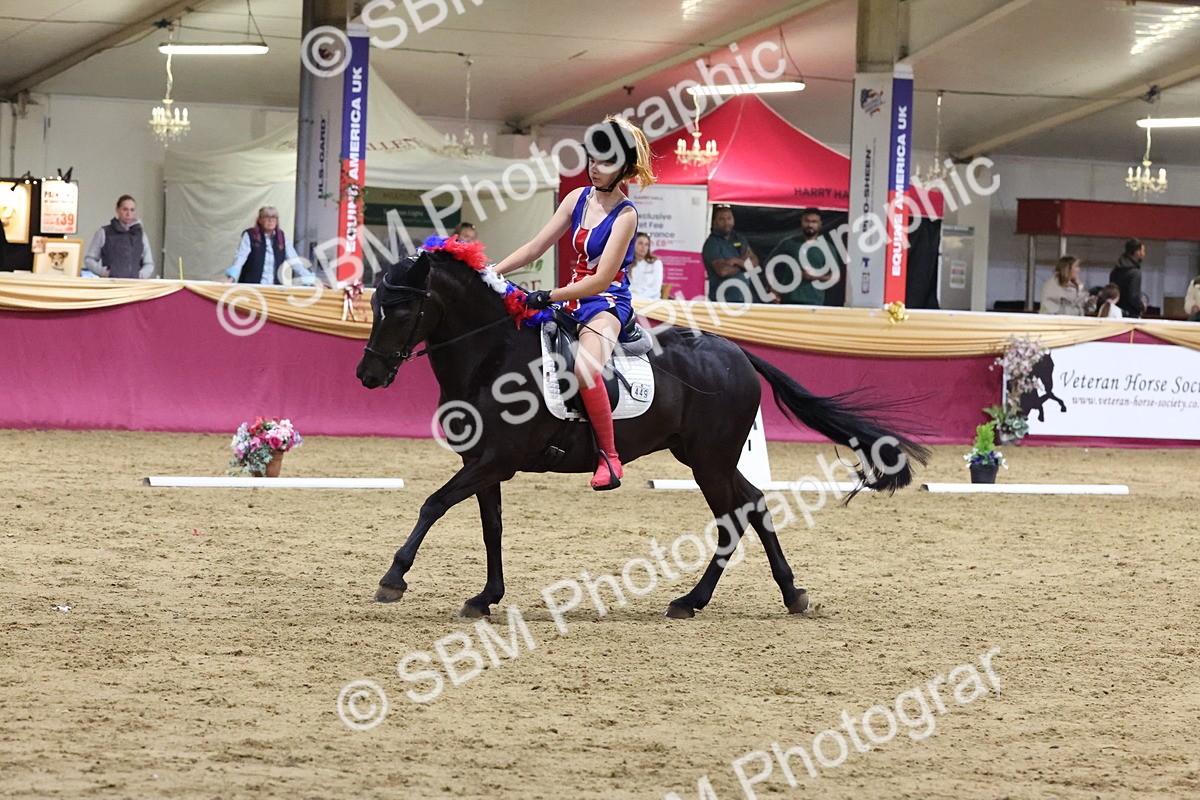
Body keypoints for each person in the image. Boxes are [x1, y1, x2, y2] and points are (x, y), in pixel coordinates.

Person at [494, 116, 655, 491]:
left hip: (606, 302)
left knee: (584, 367)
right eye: (592, 160)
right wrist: (490, 272)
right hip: (571, 298)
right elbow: (535, 247)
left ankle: (610, 457)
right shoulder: (576, 198)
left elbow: (600, 280)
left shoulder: (626, 215)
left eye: (605, 163)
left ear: (623, 168)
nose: (595, 168)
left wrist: (547, 295)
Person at [224, 206, 315, 285]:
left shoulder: (281, 237)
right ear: (260, 220)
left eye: (274, 217)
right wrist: (231, 278)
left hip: (273, 289)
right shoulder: (250, 235)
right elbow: (240, 257)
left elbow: (295, 261)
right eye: (266, 217)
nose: (271, 220)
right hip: (251, 287)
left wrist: (311, 280)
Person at [766, 208, 835, 306]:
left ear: (820, 224)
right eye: (807, 221)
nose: (810, 225)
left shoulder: (827, 247)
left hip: (814, 302)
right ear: (801, 222)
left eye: (814, 222)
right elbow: (769, 265)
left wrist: (816, 277)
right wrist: (772, 289)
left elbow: (835, 277)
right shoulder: (789, 243)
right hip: (788, 300)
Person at [702, 205, 763, 304]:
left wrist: (736, 261)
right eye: (722, 219)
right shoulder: (712, 243)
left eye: (729, 218)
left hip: (744, 299)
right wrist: (744, 264)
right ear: (714, 222)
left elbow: (755, 264)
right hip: (723, 300)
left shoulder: (739, 238)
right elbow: (723, 271)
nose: (727, 222)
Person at [84, 195, 155, 279]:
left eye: (132, 210)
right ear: (117, 210)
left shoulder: (141, 235)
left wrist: (141, 275)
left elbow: (149, 263)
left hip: (135, 285)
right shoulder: (104, 232)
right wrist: (104, 272)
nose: (128, 214)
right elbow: (89, 260)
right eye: (125, 209)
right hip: (111, 285)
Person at [1109, 238, 1146, 318]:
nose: (1144, 254)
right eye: (1143, 251)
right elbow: (1134, 298)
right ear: (1137, 252)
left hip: (1115, 314)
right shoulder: (1135, 273)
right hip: (1130, 316)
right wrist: (1142, 306)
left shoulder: (1115, 271)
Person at [628, 232, 663, 301]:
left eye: (646, 244)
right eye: (640, 243)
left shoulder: (656, 263)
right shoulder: (627, 264)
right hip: (631, 299)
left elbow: (655, 289)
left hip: (650, 300)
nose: (643, 247)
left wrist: (639, 296)